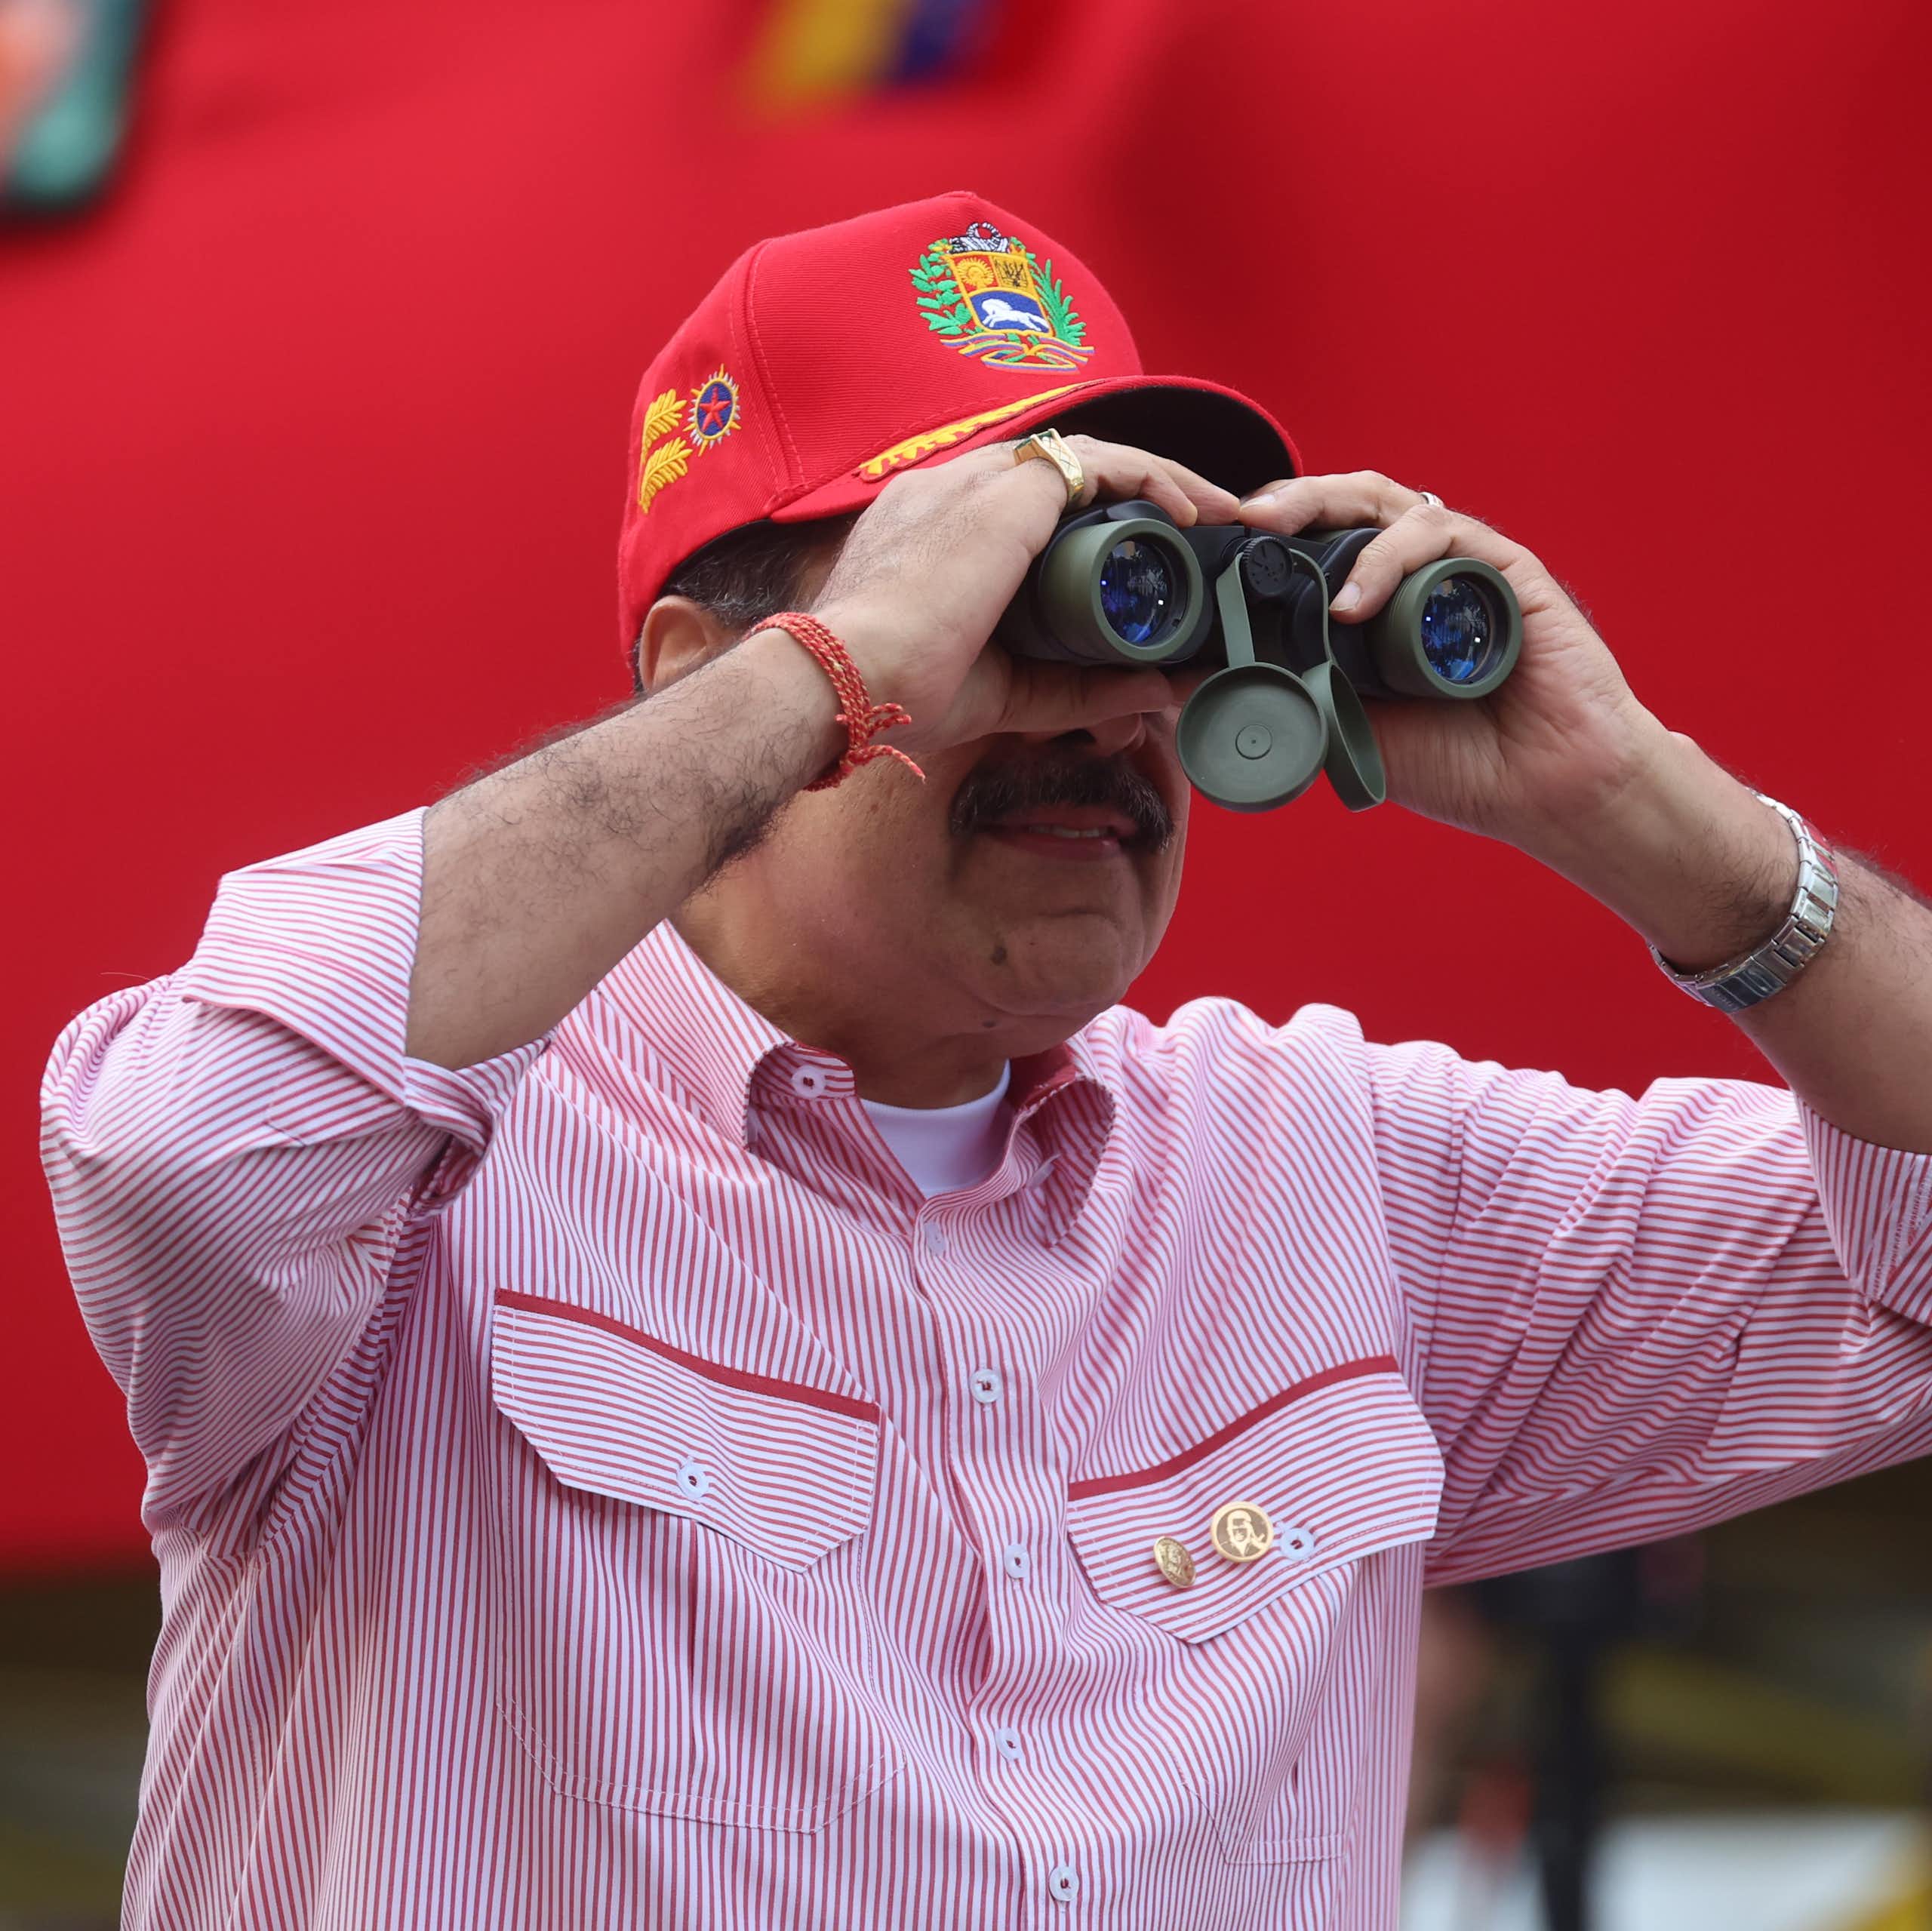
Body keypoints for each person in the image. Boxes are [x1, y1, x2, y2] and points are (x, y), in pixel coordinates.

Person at [39, 189, 1932, 1929]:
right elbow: (180, 1153)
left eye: (1150, 601)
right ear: (717, 665)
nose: (1114, 705)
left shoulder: (1337, 1179)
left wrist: (1647, 815)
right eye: (1016, 588)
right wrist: (838, 671)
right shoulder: (428, 1177)